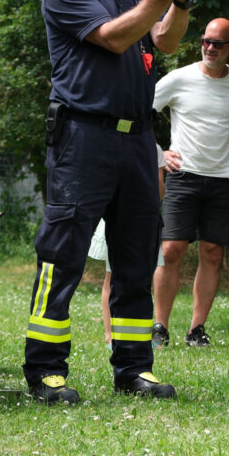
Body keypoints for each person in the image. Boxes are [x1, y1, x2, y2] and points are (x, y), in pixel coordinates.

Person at [25, 0, 212, 404]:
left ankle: (134, 369)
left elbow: (166, 41)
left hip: (137, 142)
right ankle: (45, 371)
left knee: (135, 256)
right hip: (83, 137)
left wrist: (182, 0)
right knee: (62, 255)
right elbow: (113, 37)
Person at [151, 17, 229, 348]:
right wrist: (159, 153)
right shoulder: (178, 79)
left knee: (212, 251)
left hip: (222, 179)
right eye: (205, 41)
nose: (209, 48)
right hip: (182, 176)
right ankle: (159, 327)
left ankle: (196, 329)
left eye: (218, 43)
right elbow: (140, 110)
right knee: (171, 250)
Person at [89, 143, 167, 348]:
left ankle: (139, 336)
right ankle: (109, 335)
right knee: (112, 277)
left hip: (143, 221)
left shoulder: (154, 148)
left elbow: (160, 191)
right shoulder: (113, 142)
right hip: (116, 218)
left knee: (142, 280)